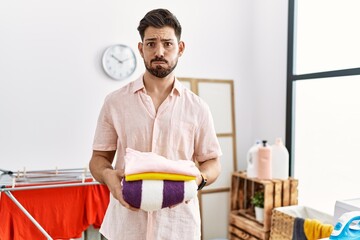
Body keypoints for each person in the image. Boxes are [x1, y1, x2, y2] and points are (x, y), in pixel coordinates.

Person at [89, 8, 222, 240]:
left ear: (180, 49)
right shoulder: (115, 102)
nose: (159, 51)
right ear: (141, 49)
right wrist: (109, 177)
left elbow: (212, 162)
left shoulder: (198, 107)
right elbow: (98, 159)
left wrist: (198, 180)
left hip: (178, 230)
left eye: (168, 44)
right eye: (151, 43)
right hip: (123, 229)